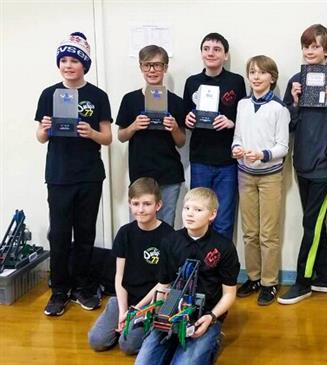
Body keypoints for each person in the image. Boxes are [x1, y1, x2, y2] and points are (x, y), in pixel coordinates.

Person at [35, 32, 112, 316]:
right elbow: (41, 137)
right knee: (58, 234)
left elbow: (108, 138)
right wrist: (44, 128)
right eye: (64, 60)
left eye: (74, 60)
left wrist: (91, 133)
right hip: (58, 175)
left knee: (85, 234)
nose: (68, 65)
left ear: (84, 65)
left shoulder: (97, 96)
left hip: (90, 175)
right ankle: (58, 291)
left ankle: (83, 286)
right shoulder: (48, 94)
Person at [278, 24, 327, 305]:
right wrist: (295, 103)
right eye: (306, 46)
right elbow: (290, 124)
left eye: (315, 46)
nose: (310, 51)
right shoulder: (297, 79)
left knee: (311, 222)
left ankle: (303, 281)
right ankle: (324, 277)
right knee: (316, 223)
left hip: (325, 164)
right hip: (302, 162)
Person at [134, 187, 240, 365]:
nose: (190, 214)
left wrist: (211, 317)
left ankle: (213, 340)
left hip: (205, 313)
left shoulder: (224, 247)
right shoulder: (170, 241)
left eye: (198, 210)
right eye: (187, 208)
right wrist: (148, 311)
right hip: (173, 307)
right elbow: (163, 285)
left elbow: (229, 293)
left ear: (212, 215)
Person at [88, 177, 173, 354]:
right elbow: (119, 276)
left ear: (158, 205)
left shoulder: (169, 236)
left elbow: (163, 283)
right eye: (135, 204)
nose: (140, 210)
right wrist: (122, 310)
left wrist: (135, 311)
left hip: (150, 302)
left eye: (147, 204)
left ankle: (141, 327)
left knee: (128, 346)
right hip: (125, 298)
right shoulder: (125, 233)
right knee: (96, 341)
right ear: (129, 204)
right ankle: (120, 317)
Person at [231, 55, 290, 305]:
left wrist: (263, 155)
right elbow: (237, 136)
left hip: (270, 177)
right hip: (245, 174)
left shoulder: (279, 108)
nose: (256, 77)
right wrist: (236, 148)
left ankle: (269, 282)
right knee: (249, 232)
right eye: (252, 72)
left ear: (272, 77)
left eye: (262, 73)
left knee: (268, 234)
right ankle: (253, 277)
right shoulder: (243, 105)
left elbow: (283, 147)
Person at [183, 33, 246, 239]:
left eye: (217, 49)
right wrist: (188, 120)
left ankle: (221, 269)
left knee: (223, 220)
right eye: (206, 48)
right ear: (201, 53)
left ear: (225, 55)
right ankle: (199, 267)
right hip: (200, 159)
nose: (211, 53)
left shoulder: (236, 81)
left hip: (227, 161)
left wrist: (231, 123)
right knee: (197, 215)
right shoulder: (192, 82)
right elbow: (184, 116)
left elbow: (243, 119)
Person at [116, 45, 185, 226]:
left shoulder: (177, 102)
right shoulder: (129, 99)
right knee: (139, 229)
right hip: (140, 175)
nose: (152, 70)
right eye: (147, 65)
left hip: (169, 175)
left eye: (157, 65)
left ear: (165, 68)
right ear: (141, 67)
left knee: (166, 228)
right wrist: (134, 126)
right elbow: (121, 136)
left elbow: (181, 142)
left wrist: (175, 128)